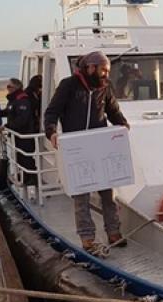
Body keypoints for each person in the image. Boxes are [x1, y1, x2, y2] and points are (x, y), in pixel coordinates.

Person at [44, 51, 130, 253]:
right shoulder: (68, 86)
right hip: (78, 149)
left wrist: (123, 125)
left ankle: (113, 232)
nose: (105, 75)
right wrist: (52, 132)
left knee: (108, 194)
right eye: (103, 70)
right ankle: (87, 237)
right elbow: (52, 111)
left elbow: (113, 110)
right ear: (90, 68)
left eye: (107, 71)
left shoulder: (104, 88)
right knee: (81, 196)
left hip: (100, 147)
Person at [0, 78, 39, 185]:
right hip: (17, 135)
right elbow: (8, 112)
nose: (7, 88)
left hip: (25, 134)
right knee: (20, 157)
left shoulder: (22, 100)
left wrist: (7, 126)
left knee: (27, 158)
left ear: (16, 88)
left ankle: (33, 179)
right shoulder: (13, 100)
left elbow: (22, 120)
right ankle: (25, 176)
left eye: (9, 86)